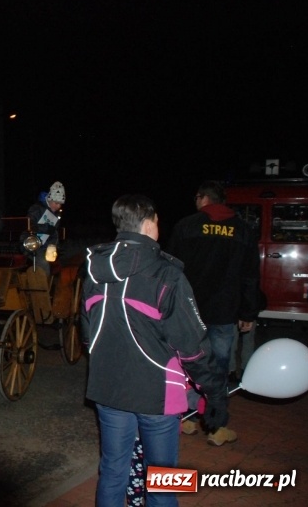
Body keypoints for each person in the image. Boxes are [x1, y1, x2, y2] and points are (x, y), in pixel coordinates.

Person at [81, 194, 228, 507]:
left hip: (107, 390)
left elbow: (87, 332)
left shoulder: (94, 268)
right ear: (150, 224)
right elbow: (192, 346)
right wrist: (214, 393)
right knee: (162, 478)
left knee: (112, 469)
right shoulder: (166, 273)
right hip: (156, 395)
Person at [166, 180, 261, 446]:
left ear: (203, 199)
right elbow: (250, 276)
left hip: (188, 311)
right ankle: (216, 427)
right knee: (218, 369)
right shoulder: (243, 230)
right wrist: (248, 312)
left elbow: (170, 270)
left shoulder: (187, 226)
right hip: (223, 312)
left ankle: (185, 417)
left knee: (185, 364)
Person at [26, 181, 65, 275]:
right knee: (43, 263)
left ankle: (51, 285)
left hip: (47, 245)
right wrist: (46, 228)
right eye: (56, 203)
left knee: (57, 262)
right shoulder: (37, 209)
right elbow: (30, 225)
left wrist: (55, 245)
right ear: (49, 199)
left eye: (60, 204)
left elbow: (54, 232)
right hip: (32, 245)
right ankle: (42, 286)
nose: (58, 206)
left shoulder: (56, 214)